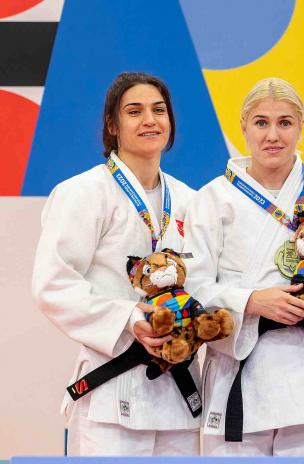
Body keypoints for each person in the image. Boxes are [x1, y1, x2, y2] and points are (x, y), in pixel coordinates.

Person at [183, 77, 304, 456]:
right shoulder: (213, 198)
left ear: (300, 128)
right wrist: (252, 300)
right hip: (240, 372)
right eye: (261, 122)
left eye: (285, 122)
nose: (272, 135)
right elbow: (192, 287)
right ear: (244, 127)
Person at [32, 72, 199, 455]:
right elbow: (52, 284)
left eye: (159, 110)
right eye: (134, 111)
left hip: (178, 388)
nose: (150, 120)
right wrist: (128, 319)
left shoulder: (190, 200)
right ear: (112, 124)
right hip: (113, 389)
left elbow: (204, 281)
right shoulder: (82, 193)